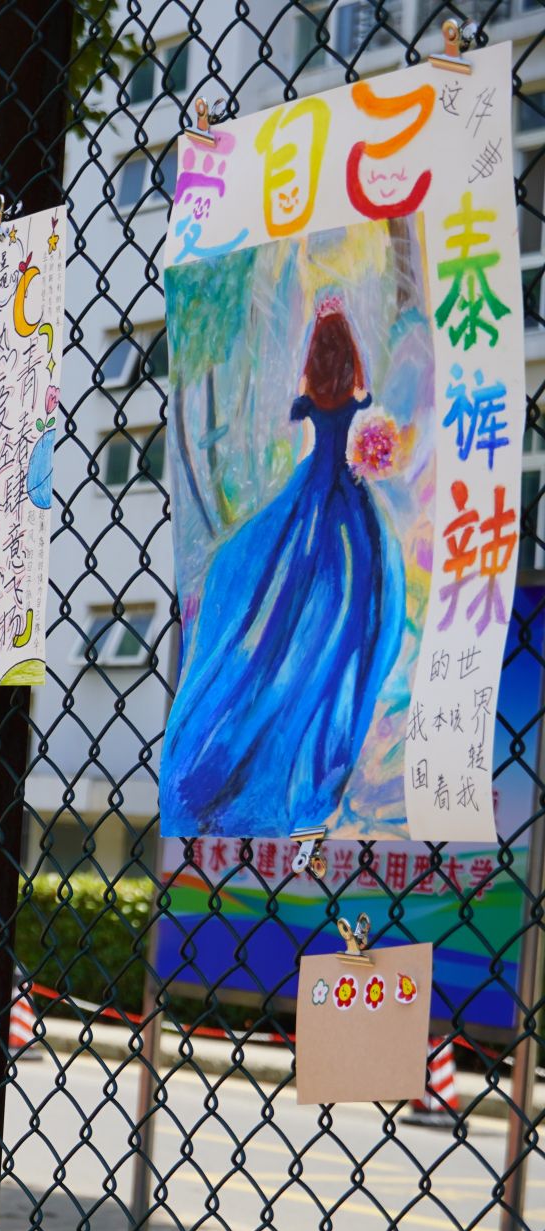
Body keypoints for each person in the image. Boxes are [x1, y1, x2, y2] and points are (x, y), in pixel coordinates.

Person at [163, 291, 403, 833]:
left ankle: (260, 743)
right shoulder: (359, 398)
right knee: (349, 608)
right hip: (349, 501)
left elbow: (303, 407)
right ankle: (310, 763)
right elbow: (365, 408)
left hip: (311, 492)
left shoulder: (309, 403)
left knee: (283, 598)